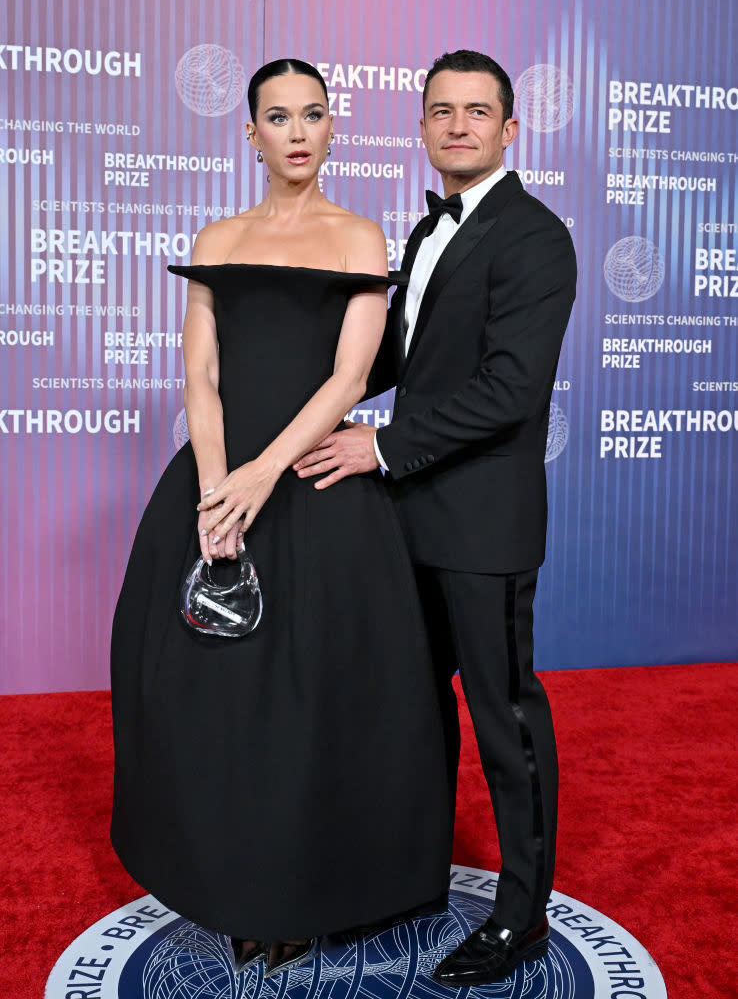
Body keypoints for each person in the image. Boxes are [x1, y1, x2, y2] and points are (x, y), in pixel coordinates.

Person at [109, 58, 453, 981]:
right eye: (276, 116)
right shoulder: (218, 236)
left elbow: (348, 379)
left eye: (312, 114)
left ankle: (305, 889)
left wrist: (264, 475)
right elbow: (201, 377)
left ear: (333, 129)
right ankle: (227, 879)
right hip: (220, 483)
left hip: (318, 485)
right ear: (249, 134)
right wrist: (217, 492)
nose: (295, 130)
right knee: (216, 698)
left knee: (314, 702)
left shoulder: (358, 238)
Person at [295, 50, 577, 985]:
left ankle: (522, 915)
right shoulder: (426, 236)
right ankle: (403, 879)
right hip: (403, 518)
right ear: (421, 127)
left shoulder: (535, 238)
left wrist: (374, 445)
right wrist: (304, 395)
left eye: (477, 111)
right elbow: (403, 357)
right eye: (441, 111)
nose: (458, 125)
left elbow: (509, 388)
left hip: (481, 524)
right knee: (405, 714)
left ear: (509, 129)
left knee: (505, 720)